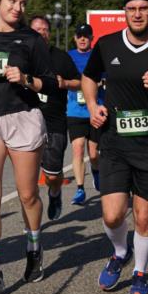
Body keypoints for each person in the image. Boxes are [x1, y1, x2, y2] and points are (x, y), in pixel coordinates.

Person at [82, 0, 148, 294]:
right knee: (112, 215)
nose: (137, 13)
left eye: (143, 8)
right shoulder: (107, 45)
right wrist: (93, 106)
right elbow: (89, 77)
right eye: (132, 8)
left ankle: (140, 274)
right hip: (115, 143)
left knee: (145, 216)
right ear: (125, 12)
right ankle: (121, 252)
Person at [0, 0, 56, 294]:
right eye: (11, 1)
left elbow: (48, 83)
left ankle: (34, 247)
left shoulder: (32, 40)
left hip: (24, 117)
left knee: (28, 195)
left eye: (22, 3)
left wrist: (25, 79)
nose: (17, 8)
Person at [30, 16, 81, 221]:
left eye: (45, 29)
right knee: (27, 177)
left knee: (52, 175)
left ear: (49, 34)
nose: (41, 32)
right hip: (27, 121)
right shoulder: (22, 57)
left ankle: (54, 192)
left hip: (55, 121)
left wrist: (65, 83)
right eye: (36, 29)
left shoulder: (61, 57)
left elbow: (79, 82)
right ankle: (31, 220)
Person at [66, 24, 102, 205]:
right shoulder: (69, 56)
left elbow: (107, 76)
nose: (82, 39)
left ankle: (96, 173)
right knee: (78, 148)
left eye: (86, 36)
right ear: (75, 38)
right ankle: (80, 188)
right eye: (79, 36)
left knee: (94, 153)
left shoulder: (98, 55)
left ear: (91, 38)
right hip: (75, 110)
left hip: (95, 109)